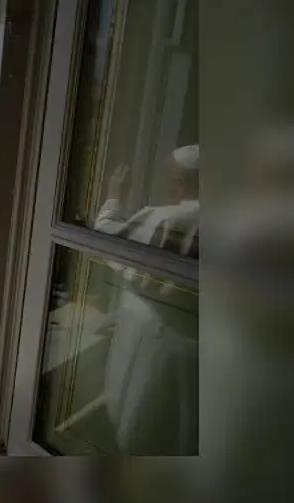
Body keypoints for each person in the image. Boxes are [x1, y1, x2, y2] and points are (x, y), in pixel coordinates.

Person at [95, 145, 199, 454]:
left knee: (141, 415)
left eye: (165, 177)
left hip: (157, 339)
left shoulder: (169, 218)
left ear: (179, 182)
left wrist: (114, 196)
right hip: (196, 343)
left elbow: (106, 238)